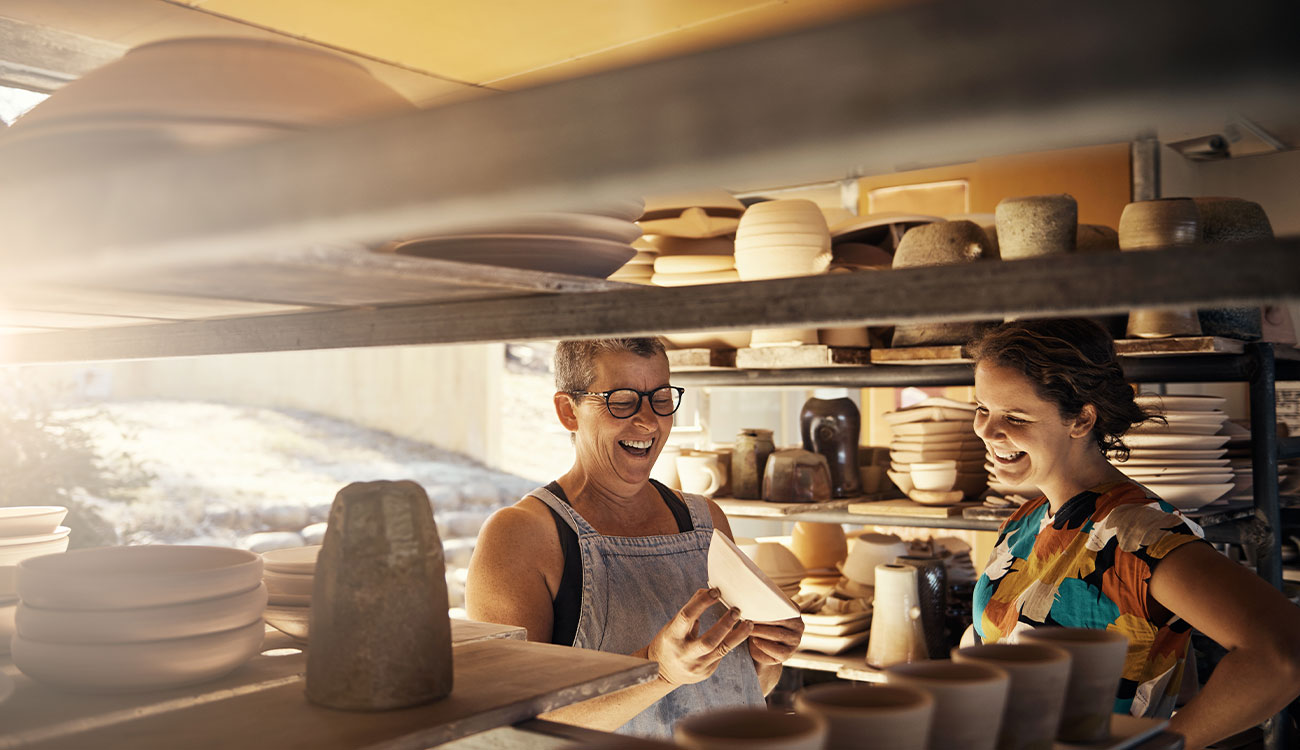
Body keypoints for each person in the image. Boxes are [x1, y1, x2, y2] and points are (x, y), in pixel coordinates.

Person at [969, 318, 1300, 749]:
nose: (988, 431)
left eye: (1014, 416)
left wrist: (1162, 745)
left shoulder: (1138, 535)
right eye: (981, 408)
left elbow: (1282, 655)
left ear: (1082, 419)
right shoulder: (1023, 522)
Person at [466, 337, 803, 739]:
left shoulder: (705, 519)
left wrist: (766, 658)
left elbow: (740, 690)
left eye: (660, 397)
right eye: (622, 400)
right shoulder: (521, 536)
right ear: (567, 411)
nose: (648, 421)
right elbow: (509, 727)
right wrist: (657, 672)